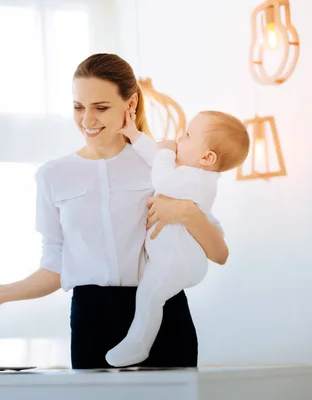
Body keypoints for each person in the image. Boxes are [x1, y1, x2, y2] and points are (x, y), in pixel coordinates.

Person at [0, 53, 229, 369]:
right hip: (92, 318)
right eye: (78, 107)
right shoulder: (53, 175)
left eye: (100, 108)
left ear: (131, 106)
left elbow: (219, 252)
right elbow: (54, 268)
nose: (87, 120)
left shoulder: (160, 166)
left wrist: (185, 211)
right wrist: (2, 293)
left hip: (162, 313)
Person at [104, 110, 250, 367]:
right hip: (175, 258)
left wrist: (165, 152)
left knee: (149, 295)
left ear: (206, 157)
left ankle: (138, 343)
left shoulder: (195, 179)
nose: (178, 139)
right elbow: (155, 159)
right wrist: (136, 135)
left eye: (187, 135)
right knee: (150, 294)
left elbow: (161, 175)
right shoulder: (191, 173)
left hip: (177, 260)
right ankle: (137, 341)